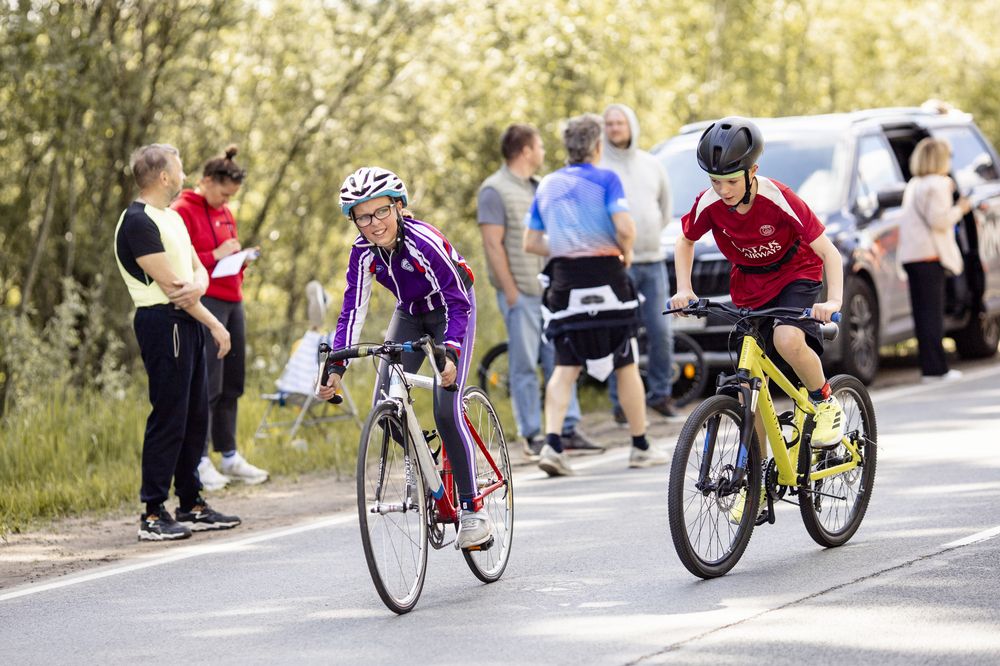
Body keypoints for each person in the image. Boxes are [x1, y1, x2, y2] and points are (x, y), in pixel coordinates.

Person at [317, 167, 492, 549]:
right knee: (385, 407)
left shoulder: (423, 242)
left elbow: (458, 300)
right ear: (354, 220)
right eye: (363, 216)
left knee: (447, 410)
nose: (374, 223)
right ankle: (425, 461)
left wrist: (452, 354)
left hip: (452, 310)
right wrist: (336, 365)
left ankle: (473, 508)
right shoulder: (362, 253)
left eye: (381, 212)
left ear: (398, 207)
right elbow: (353, 308)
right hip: (411, 312)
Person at [669, 116, 846, 464]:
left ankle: (824, 400)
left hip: (797, 272)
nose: (723, 190)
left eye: (731, 181)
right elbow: (684, 242)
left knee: (786, 339)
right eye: (715, 181)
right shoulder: (710, 202)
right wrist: (684, 289)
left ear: (753, 172)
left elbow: (829, 251)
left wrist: (834, 300)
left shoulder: (778, 197)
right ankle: (756, 479)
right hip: (750, 283)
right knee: (748, 388)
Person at [524, 114, 669, 476]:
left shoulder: (548, 186)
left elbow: (530, 242)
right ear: (597, 147)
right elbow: (624, 226)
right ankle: (640, 445)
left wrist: (565, 246)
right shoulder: (607, 178)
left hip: (564, 283)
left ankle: (553, 444)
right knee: (625, 361)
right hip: (607, 280)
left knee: (565, 365)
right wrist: (627, 251)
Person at [114, 143, 241, 541]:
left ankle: (191, 503)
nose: (184, 175)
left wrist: (199, 285)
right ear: (164, 176)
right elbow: (173, 288)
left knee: (195, 415)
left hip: (186, 321)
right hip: (163, 322)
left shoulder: (171, 217)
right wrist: (217, 326)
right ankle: (153, 513)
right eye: (180, 169)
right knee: (169, 415)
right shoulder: (137, 222)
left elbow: (197, 272)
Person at [477, 123, 603, 460]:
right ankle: (532, 433)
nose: (544, 152)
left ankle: (565, 427)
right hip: (521, 293)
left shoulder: (540, 186)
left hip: (552, 292)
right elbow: (492, 245)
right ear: (526, 150)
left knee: (562, 359)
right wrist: (511, 292)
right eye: (540, 146)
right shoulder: (494, 190)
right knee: (523, 366)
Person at [172, 145, 269, 489]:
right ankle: (198, 460)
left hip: (233, 299)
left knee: (231, 381)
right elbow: (176, 260)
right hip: (206, 301)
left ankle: (228, 455)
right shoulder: (181, 210)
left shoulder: (225, 211)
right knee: (207, 383)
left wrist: (241, 257)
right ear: (206, 181)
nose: (226, 200)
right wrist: (215, 254)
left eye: (232, 196)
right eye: (223, 192)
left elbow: (227, 250)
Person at [599, 103, 681, 424]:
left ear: (631, 125)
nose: (615, 128)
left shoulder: (651, 164)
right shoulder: (600, 166)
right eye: (609, 123)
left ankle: (660, 393)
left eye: (620, 122)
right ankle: (621, 402)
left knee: (661, 330)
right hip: (615, 264)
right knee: (617, 333)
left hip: (652, 261)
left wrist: (645, 234)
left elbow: (664, 209)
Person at [898, 137, 971, 382]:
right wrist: (961, 208)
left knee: (922, 314)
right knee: (933, 313)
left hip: (911, 256)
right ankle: (937, 369)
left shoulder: (914, 184)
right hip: (930, 255)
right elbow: (939, 221)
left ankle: (929, 366)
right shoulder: (938, 185)